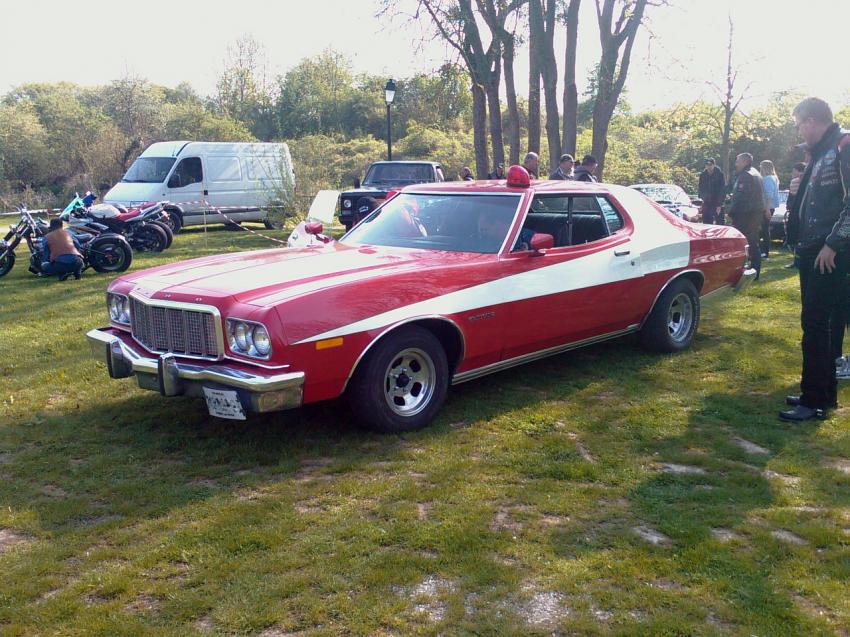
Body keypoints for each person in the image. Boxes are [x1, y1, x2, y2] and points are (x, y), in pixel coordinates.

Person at [779, 97, 850, 422]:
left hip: (828, 252)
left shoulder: (843, 145)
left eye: (799, 124)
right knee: (818, 324)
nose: (799, 132)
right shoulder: (824, 152)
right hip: (813, 250)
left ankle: (814, 401)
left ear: (811, 121)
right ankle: (823, 394)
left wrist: (833, 244)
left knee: (816, 324)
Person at [727, 153, 766, 280]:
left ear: (744, 162)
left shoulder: (745, 176)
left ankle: (748, 270)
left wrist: (731, 213)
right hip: (754, 214)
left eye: (737, 161)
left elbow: (740, 198)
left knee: (743, 242)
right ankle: (754, 270)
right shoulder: (756, 174)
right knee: (753, 242)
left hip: (745, 215)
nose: (736, 164)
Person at [784, 161, 807, 269]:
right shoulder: (794, 182)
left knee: (799, 237)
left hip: (799, 214)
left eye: (794, 171)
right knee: (794, 237)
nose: (792, 173)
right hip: (793, 212)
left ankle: (799, 261)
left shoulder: (804, 181)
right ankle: (796, 260)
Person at [759, 159, 780, 258]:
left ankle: (765, 251)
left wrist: (767, 209)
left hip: (767, 207)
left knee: (764, 229)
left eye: (761, 167)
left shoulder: (768, 178)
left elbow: (769, 195)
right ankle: (764, 250)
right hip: (768, 207)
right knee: (764, 229)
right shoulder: (774, 178)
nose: (760, 169)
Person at [697, 158, 726, 225]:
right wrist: (702, 201)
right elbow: (700, 189)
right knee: (706, 223)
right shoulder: (703, 175)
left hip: (717, 203)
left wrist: (719, 204)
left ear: (714, 165)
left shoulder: (720, 175)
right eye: (707, 164)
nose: (709, 166)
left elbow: (722, 190)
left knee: (720, 223)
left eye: (710, 164)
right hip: (706, 203)